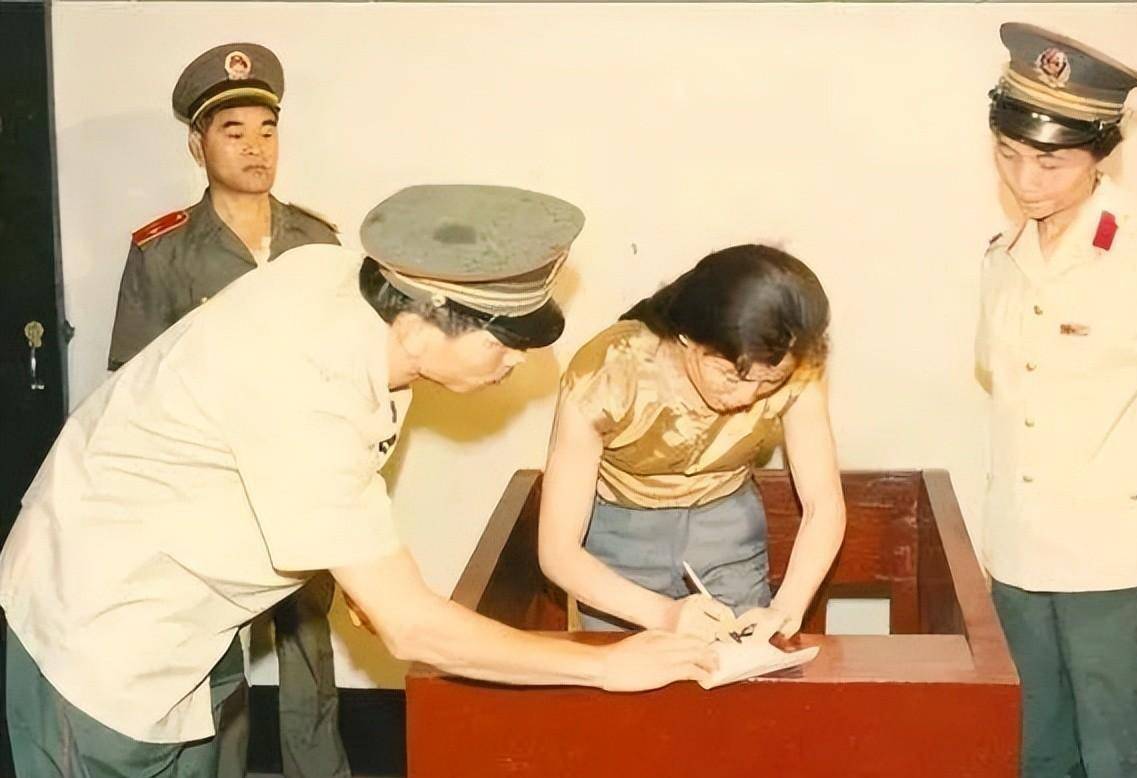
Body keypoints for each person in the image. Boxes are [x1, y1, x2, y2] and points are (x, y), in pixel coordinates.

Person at [1, 184, 715, 777]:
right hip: (100, 627)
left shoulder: (357, 291)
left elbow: (324, 485)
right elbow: (411, 627)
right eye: (502, 341)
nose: (516, 363)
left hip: (193, 614)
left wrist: (369, 581)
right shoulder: (307, 385)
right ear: (420, 327)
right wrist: (606, 667)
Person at [976, 23, 1137, 778]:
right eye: (1009, 153)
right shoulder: (1003, 258)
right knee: (1036, 756)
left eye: (1050, 161)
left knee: (1124, 761)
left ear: (1099, 152)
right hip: (1021, 560)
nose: (1025, 179)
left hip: (1120, 570)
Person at [106, 42, 349, 778]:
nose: (255, 148)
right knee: (214, 656)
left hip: (301, 480)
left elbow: (346, 366)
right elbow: (132, 386)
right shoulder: (163, 252)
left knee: (309, 646)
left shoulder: (317, 241)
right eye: (233, 132)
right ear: (197, 144)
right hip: (208, 485)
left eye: (267, 131)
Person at [538, 244, 846, 645]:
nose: (747, 397)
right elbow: (558, 551)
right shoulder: (609, 371)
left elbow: (823, 504)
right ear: (687, 337)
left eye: (770, 383)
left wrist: (786, 608)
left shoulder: (797, 367)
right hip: (620, 539)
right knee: (625, 670)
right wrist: (665, 615)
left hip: (726, 529)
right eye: (732, 376)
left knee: (742, 665)